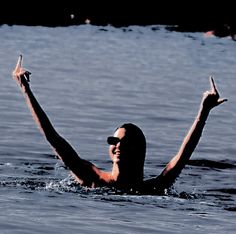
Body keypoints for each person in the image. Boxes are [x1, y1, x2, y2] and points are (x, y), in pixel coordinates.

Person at [12, 55, 227, 194]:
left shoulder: (154, 187)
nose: (118, 146)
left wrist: (204, 111)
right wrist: (26, 90)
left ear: (141, 150)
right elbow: (54, 139)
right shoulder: (92, 179)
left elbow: (184, 154)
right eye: (114, 140)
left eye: (126, 142)